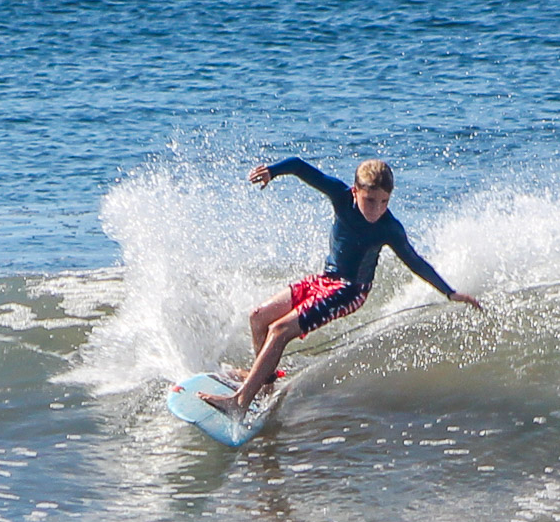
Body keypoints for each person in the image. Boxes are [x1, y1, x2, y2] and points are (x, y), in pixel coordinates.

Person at [198, 156, 481, 419]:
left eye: (384, 202)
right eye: (371, 201)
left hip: (351, 291)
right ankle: (263, 383)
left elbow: (415, 261)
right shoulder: (340, 197)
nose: (378, 209)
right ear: (355, 192)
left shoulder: (389, 228)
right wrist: (273, 171)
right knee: (259, 316)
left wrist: (449, 292)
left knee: (279, 329)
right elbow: (299, 166)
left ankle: (239, 402)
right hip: (325, 280)